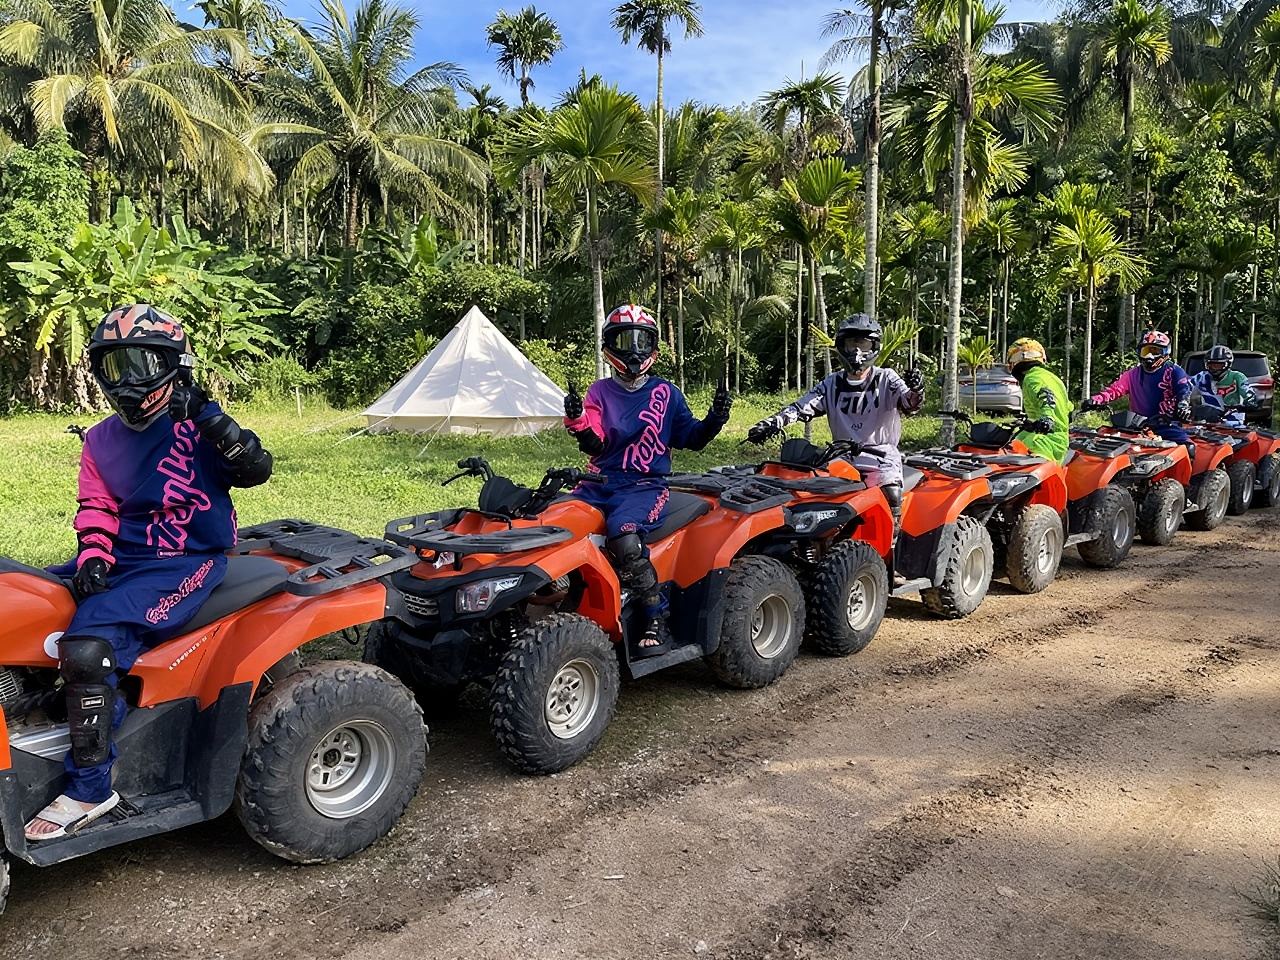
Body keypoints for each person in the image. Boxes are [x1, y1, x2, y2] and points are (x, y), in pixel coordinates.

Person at [25, 304, 273, 841]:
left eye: (141, 364)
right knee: (24, 597)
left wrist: (210, 418)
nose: (128, 381)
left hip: (183, 562)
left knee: (88, 649)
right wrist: (92, 554)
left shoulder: (200, 427)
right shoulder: (99, 440)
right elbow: (96, 507)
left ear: (173, 364)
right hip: (120, 557)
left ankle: (90, 788)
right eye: (114, 367)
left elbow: (254, 468)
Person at [563, 304, 731, 658]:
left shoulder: (666, 394)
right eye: (626, 339)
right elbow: (595, 441)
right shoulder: (598, 392)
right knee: (556, 523)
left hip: (643, 485)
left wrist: (716, 418)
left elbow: (693, 438)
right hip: (597, 481)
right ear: (610, 344)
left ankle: (656, 615)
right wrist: (578, 420)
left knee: (624, 538)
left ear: (653, 345)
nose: (635, 349)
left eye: (642, 340)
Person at [746, 313, 924, 541]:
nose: (857, 352)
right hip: (841, 459)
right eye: (852, 344)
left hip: (880, 458)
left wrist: (917, 389)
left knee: (891, 494)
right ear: (842, 346)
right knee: (810, 501)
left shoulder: (886, 378)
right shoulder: (832, 383)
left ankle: (891, 558)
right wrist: (772, 423)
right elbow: (802, 406)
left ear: (874, 346)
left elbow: (910, 402)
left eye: (863, 344)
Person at [1082, 330, 1193, 445]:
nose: (1149, 356)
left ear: (1165, 352)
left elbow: (1184, 389)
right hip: (1136, 425)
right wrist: (1095, 400)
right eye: (1145, 351)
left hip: (1166, 425)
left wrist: (1183, 406)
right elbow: (1114, 390)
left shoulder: (1174, 371)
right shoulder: (1132, 374)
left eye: (1155, 351)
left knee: (1188, 447)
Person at [1006, 338, 1071, 463]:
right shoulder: (1052, 377)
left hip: (1044, 442)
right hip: (1053, 437)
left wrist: (1047, 418)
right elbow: (1068, 407)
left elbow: (1046, 397)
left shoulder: (1032, 378)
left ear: (1014, 362)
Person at [1189, 345, 1257, 427]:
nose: (1214, 369)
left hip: (1233, 422)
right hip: (1205, 422)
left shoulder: (1238, 377)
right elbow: (1185, 389)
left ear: (1228, 364)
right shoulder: (1201, 377)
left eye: (1218, 365)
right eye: (1211, 365)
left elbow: (1251, 400)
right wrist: (1185, 405)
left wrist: (1239, 407)